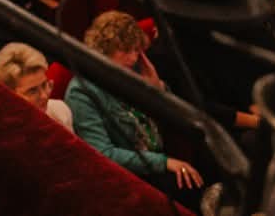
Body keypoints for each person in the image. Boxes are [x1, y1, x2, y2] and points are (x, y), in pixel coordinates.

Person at [66, 11, 203, 201]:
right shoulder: (82, 91)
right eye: (125, 51)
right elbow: (104, 153)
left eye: (136, 50)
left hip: (157, 153)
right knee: (188, 188)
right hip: (129, 173)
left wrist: (158, 89)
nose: (132, 58)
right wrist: (164, 162)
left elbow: (176, 114)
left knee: (209, 152)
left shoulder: (136, 69)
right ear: (103, 49)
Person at [0, 43, 76, 132]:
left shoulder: (60, 110)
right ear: (9, 95)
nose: (44, 96)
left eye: (44, 85)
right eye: (32, 91)